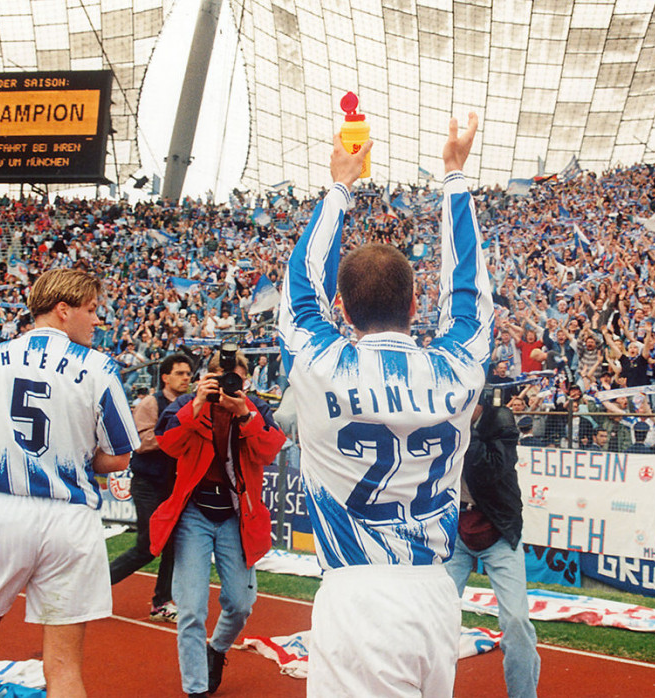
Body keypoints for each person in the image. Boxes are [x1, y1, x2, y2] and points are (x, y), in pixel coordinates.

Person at [278, 113, 493, 696]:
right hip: (434, 593)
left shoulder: (322, 365)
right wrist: (454, 176)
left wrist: (340, 186)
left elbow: (300, 284)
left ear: (343, 310)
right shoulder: (457, 366)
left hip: (358, 592)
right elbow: (470, 290)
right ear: (417, 300)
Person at [0, 268, 139, 698]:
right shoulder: (98, 366)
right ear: (63, 309)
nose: (98, 320)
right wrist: (69, 460)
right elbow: (119, 457)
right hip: (70, 519)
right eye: (92, 310)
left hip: (1, 511)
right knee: (63, 667)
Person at [148, 345, 286, 698]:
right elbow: (168, 444)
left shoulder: (255, 408)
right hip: (194, 513)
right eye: (223, 378)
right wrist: (196, 406)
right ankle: (196, 688)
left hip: (235, 516)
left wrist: (245, 416)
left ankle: (217, 649)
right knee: (191, 608)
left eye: (235, 379)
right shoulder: (187, 406)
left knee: (240, 604)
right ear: (207, 378)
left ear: (245, 380)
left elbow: (270, 450)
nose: (229, 385)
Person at [445, 392, 541, 698]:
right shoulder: (439, 419)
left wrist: (463, 432)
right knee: (437, 617)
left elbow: (491, 470)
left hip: (500, 529)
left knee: (515, 621)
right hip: (456, 530)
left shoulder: (500, 420)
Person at [109, 353, 193, 622]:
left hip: (173, 485)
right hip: (147, 483)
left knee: (173, 545)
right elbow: (140, 441)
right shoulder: (151, 402)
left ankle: (161, 602)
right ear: (165, 377)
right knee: (148, 545)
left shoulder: (191, 404)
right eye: (180, 373)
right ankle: (96, 584)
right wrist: (174, 436)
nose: (186, 378)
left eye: (189, 373)